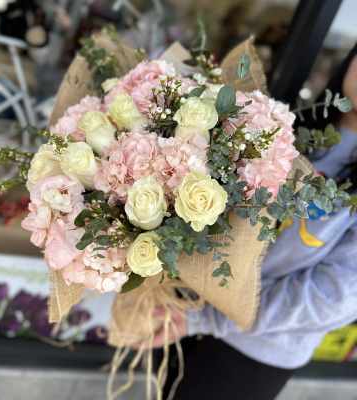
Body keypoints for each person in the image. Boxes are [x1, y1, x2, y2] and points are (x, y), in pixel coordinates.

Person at [155, 43, 357, 400]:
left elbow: (333, 297)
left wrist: (206, 318)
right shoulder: (291, 122)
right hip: (185, 302)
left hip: (254, 351)